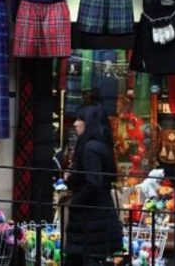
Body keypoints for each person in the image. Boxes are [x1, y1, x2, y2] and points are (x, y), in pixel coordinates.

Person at [64, 103, 122, 266]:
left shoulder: (90, 148)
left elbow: (94, 183)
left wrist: (75, 203)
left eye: (79, 120)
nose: (75, 123)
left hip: (90, 218)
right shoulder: (102, 146)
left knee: (80, 259)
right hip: (100, 215)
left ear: (88, 122)